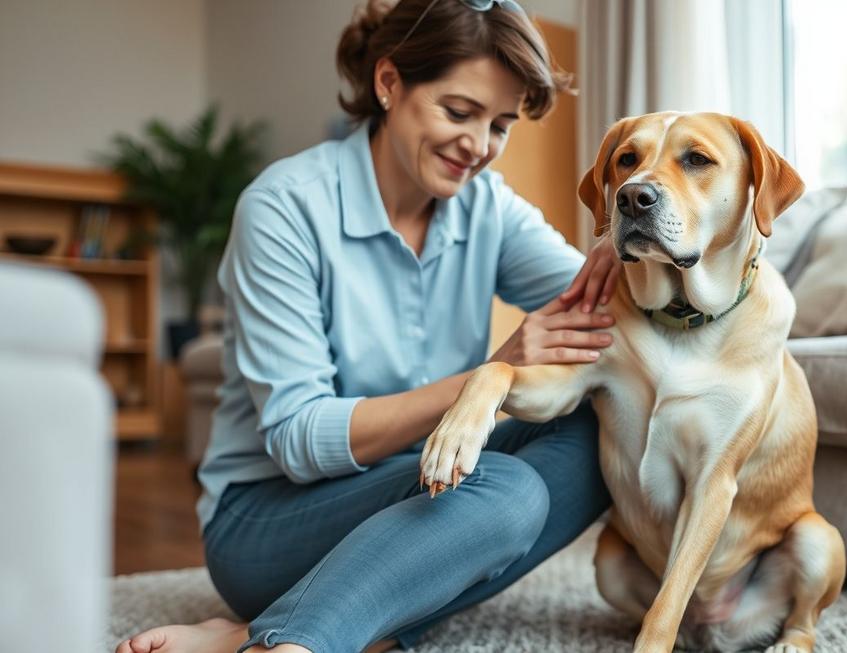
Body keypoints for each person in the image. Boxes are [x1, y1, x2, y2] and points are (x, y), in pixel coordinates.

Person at [117, 1, 623, 651]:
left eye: (499, 125)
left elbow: (602, 304)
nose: (478, 146)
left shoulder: (488, 209)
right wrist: (483, 379)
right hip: (268, 520)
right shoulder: (284, 208)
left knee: (596, 426)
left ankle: (265, 634)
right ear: (389, 84)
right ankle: (305, 637)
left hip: (424, 496)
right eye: (459, 112)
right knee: (508, 492)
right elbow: (299, 440)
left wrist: (630, 243)